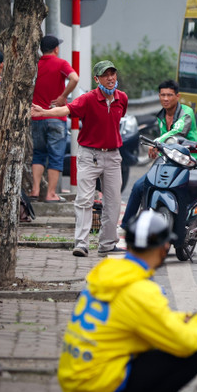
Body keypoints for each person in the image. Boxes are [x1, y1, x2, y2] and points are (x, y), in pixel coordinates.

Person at [57, 210, 197, 392]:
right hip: (95, 389)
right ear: (165, 248)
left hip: (74, 380)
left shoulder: (107, 272)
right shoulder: (140, 290)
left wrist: (183, 318)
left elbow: (149, 321)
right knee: (193, 356)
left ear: (129, 244)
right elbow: (185, 342)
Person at [31, 60, 127, 257]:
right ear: (96, 79)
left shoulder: (122, 98)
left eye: (112, 74)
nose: (110, 78)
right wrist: (45, 112)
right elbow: (66, 110)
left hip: (113, 155)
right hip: (89, 155)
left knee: (114, 201)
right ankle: (81, 243)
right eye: (105, 75)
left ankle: (107, 244)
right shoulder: (88, 99)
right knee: (84, 200)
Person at [123, 79, 197, 256]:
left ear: (177, 96)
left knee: (193, 197)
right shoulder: (161, 116)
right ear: (159, 96)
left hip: (189, 161)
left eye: (169, 95)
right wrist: (157, 149)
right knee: (139, 186)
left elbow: (177, 132)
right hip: (168, 162)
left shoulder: (186, 113)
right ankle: (126, 226)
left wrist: (158, 142)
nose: (165, 99)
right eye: (162, 95)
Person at [31, 34, 79, 202]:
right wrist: (62, 96)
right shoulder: (61, 64)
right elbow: (75, 78)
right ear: (56, 49)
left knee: (38, 154)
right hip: (56, 116)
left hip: (36, 116)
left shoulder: (34, 65)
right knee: (56, 156)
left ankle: (35, 190)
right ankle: (51, 194)